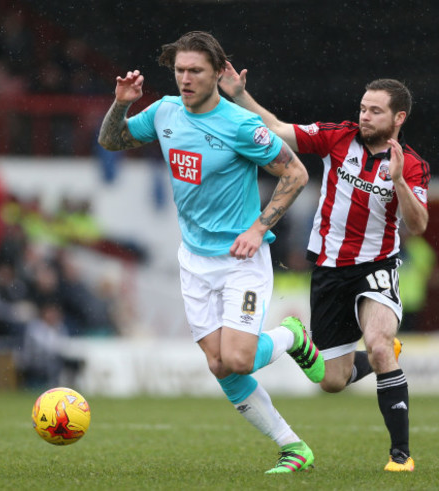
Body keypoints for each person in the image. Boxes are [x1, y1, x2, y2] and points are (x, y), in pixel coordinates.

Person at [98, 31, 325, 474]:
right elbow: (112, 141)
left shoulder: (240, 125)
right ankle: (293, 447)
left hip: (241, 260)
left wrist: (260, 228)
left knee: (239, 358)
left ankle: (293, 337)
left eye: (195, 71)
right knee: (221, 366)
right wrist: (121, 102)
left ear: (218, 73)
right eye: (180, 70)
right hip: (195, 261)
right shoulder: (164, 112)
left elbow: (296, 173)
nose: (185, 78)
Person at [219, 64, 431, 472]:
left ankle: (401, 455)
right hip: (330, 272)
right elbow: (279, 129)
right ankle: (374, 356)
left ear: (398, 118)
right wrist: (239, 96)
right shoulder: (338, 137)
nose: (364, 116)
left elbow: (418, 225)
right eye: (363, 108)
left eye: (375, 111)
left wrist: (400, 181)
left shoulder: (414, 165)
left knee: (380, 344)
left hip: (376, 266)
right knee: (332, 381)